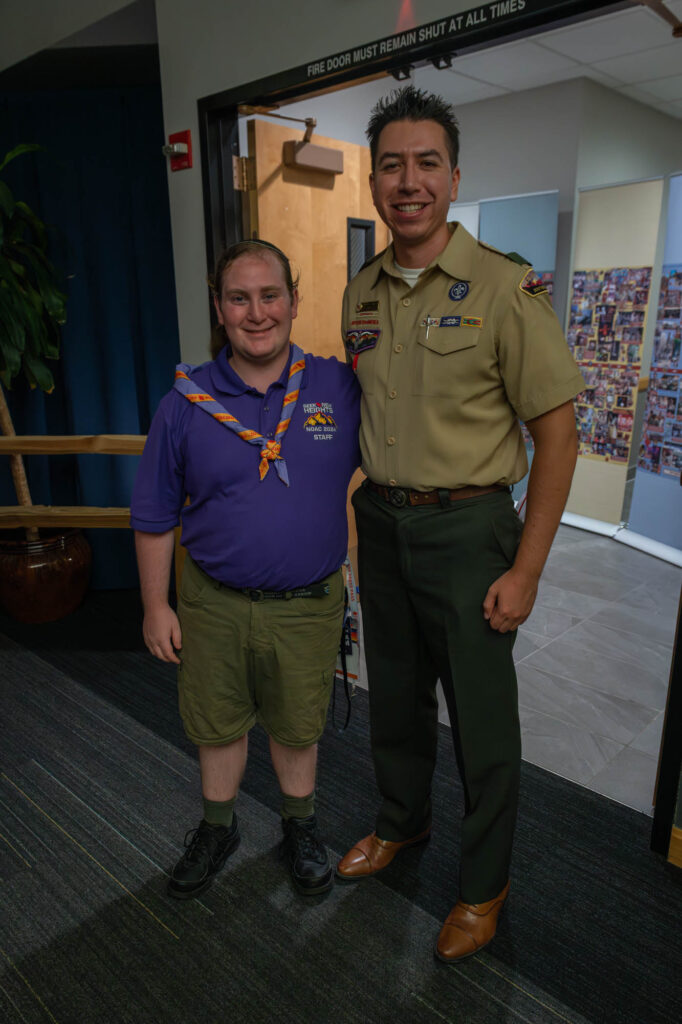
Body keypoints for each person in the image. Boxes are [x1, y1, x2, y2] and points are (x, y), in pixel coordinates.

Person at [336, 86, 584, 962]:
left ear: (452, 177)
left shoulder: (505, 288)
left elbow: (558, 431)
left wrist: (527, 568)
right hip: (386, 522)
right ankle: (401, 825)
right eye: (393, 165)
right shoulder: (360, 293)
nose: (409, 182)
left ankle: (485, 884)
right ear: (375, 180)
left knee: (480, 722)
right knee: (392, 703)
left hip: (470, 529)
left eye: (426, 164)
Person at [131, 239, 360, 899]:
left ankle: (300, 825)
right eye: (239, 298)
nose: (256, 313)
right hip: (213, 602)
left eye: (269, 295)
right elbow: (152, 514)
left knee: (296, 722)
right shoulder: (186, 402)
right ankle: (218, 825)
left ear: (293, 302)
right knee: (217, 720)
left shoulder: (338, 388)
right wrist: (155, 605)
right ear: (219, 307)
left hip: (307, 604)